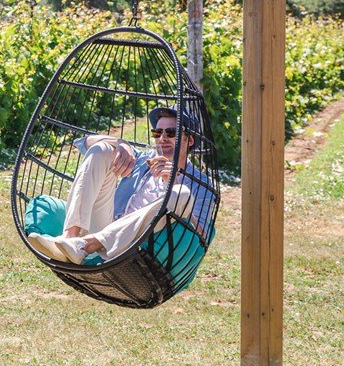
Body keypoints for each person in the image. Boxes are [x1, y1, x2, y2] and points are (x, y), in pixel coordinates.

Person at [28, 106, 213, 265]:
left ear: (189, 140)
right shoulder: (142, 159)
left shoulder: (201, 184)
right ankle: (71, 239)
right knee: (103, 150)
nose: (162, 138)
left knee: (181, 193)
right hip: (106, 226)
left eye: (171, 133)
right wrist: (120, 144)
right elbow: (83, 142)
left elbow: (201, 237)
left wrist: (172, 182)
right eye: (158, 132)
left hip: (141, 246)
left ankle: (86, 245)